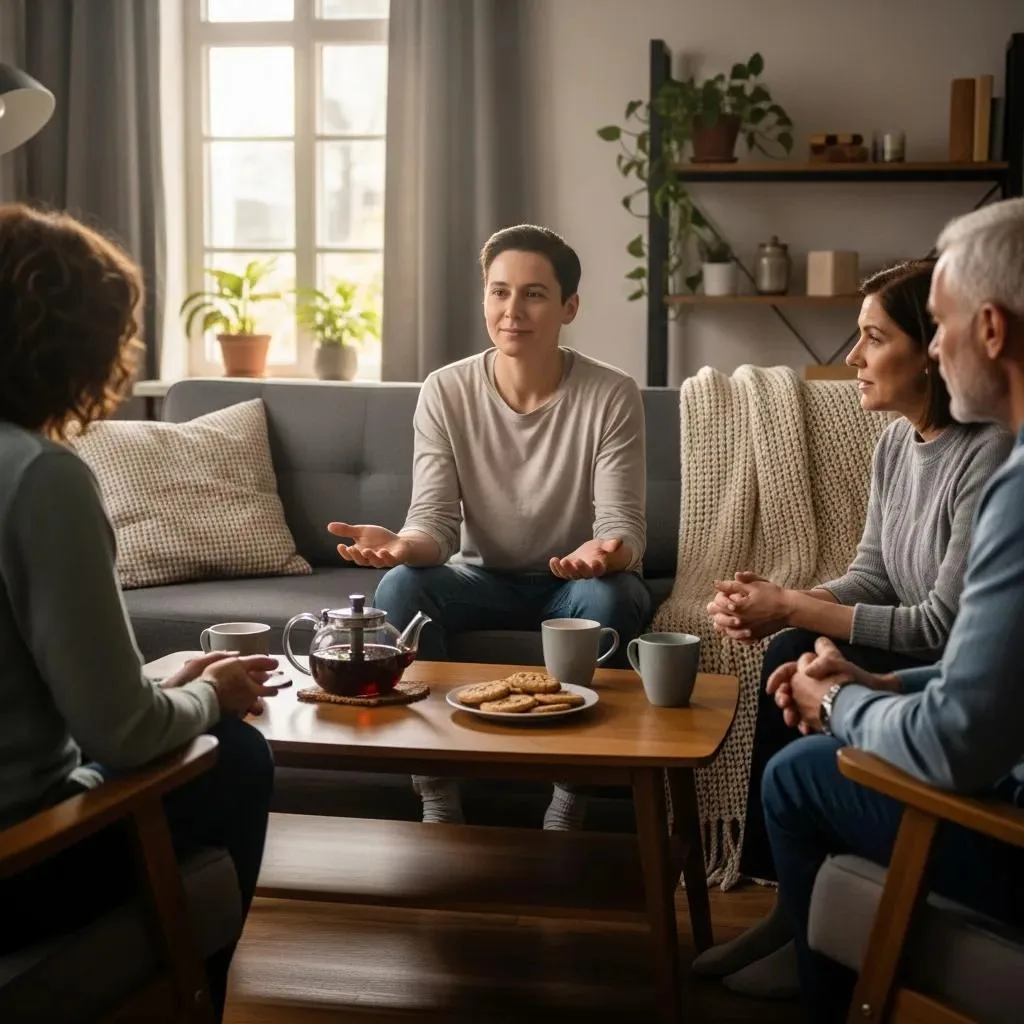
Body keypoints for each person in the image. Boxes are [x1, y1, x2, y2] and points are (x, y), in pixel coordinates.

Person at [697, 260, 1012, 997]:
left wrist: (797, 609)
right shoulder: (897, 445)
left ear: (933, 350)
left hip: (947, 657)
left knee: (797, 636)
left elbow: (942, 622)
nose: (852, 359)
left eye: (873, 338)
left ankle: (809, 927)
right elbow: (871, 573)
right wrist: (780, 598)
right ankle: (790, 908)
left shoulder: (992, 454)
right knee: (788, 644)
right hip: (913, 655)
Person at [0, 204, 281, 1020]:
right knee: (235, 753)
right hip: (23, 865)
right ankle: (196, 1002)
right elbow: (120, 737)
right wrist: (211, 696)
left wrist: (160, 681)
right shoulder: (39, 477)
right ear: (80, 347)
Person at [762, 197, 1024, 1022]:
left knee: (796, 774)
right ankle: (787, 925)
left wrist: (841, 698)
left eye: (938, 325)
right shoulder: (899, 449)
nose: (939, 349)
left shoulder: (1008, 478)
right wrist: (825, 636)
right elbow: (984, 678)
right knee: (796, 649)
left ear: (990, 330)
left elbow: (955, 728)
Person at [327, 224, 652, 828]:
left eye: (533, 294)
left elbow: (622, 525)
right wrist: (404, 546)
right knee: (401, 586)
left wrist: (603, 553)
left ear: (569, 307)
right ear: (484, 299)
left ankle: (569, 796)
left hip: (572, 584)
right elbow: (434, 522)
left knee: (613, 594)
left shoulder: (611, 393)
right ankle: (437, 791)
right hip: (477, 580)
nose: (512, 311)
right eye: (499, 292)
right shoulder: (445, 390)